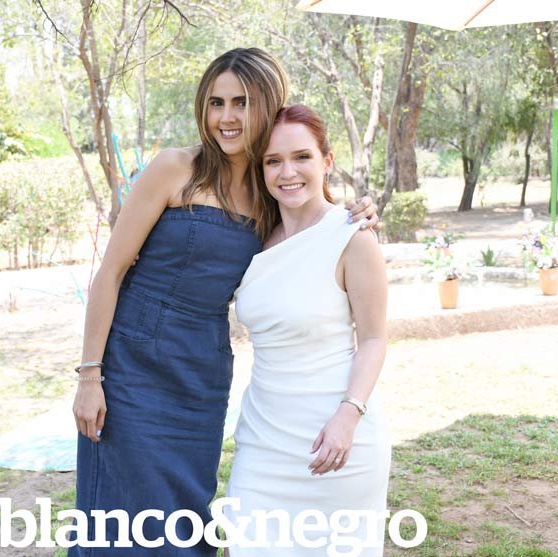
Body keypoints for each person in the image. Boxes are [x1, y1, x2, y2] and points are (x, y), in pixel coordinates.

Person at [71, 49, 379, 556]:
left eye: (242, 102)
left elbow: (313, 224)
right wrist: (89, 376)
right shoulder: (175, 168)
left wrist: (359, 211)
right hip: (133, 366)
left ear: (267, 106)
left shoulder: (270, 191)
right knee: (123, 517)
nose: (227, 117)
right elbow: (111, 273)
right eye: (217, 102)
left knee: (186, 516)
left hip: (202, 372)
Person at [225, 104, 391, 556]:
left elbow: (373, 338)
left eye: (302, 157)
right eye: (273, 161)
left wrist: (348, 415)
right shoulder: (253, 239)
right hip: (263, 441)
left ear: (327, 161)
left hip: (337, 438)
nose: (288, 172)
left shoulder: (353, 235)